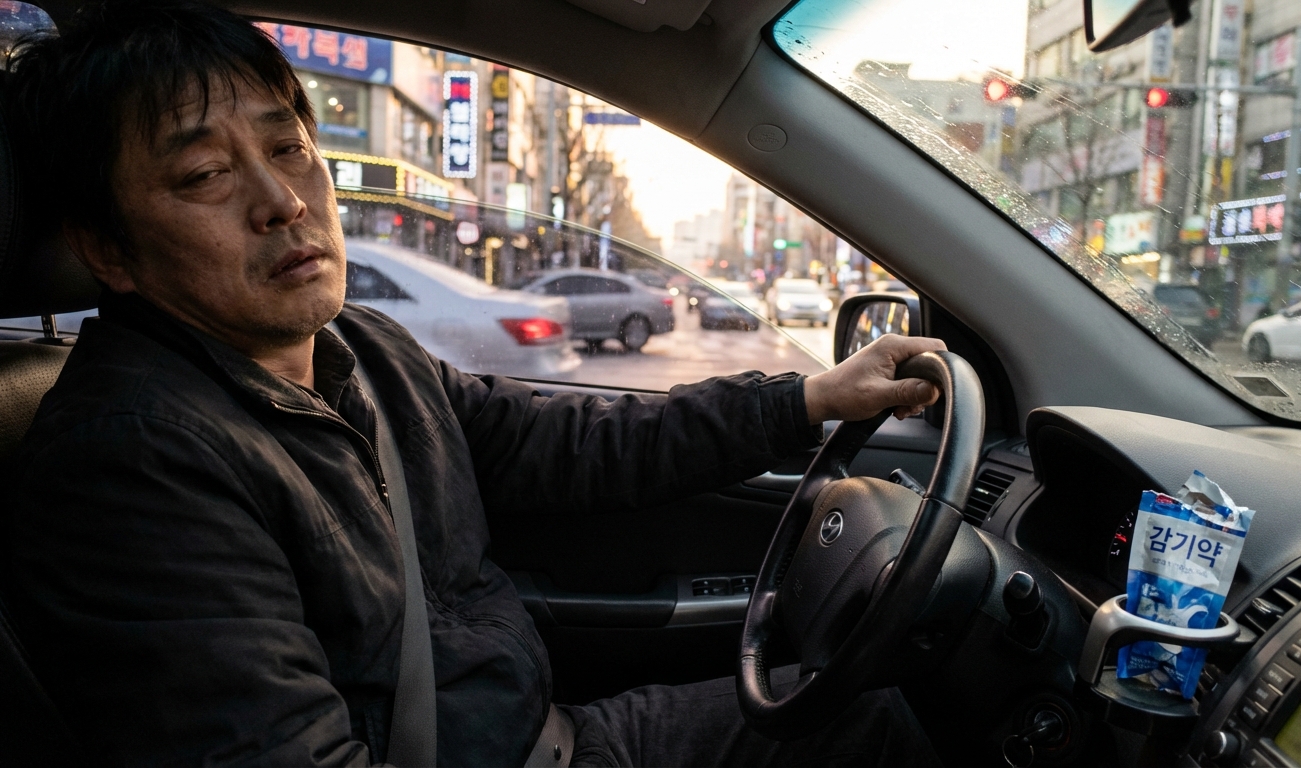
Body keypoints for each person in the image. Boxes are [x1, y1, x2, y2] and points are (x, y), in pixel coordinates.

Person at [2, 2, 947, 765]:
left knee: (887, 716)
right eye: (207, 172)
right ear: (106, 250)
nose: (285, 200)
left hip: (545, 735)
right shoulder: (128, 465)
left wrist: (810, 400)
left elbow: (566, 440)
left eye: (288, 146)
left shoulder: (359, 350)